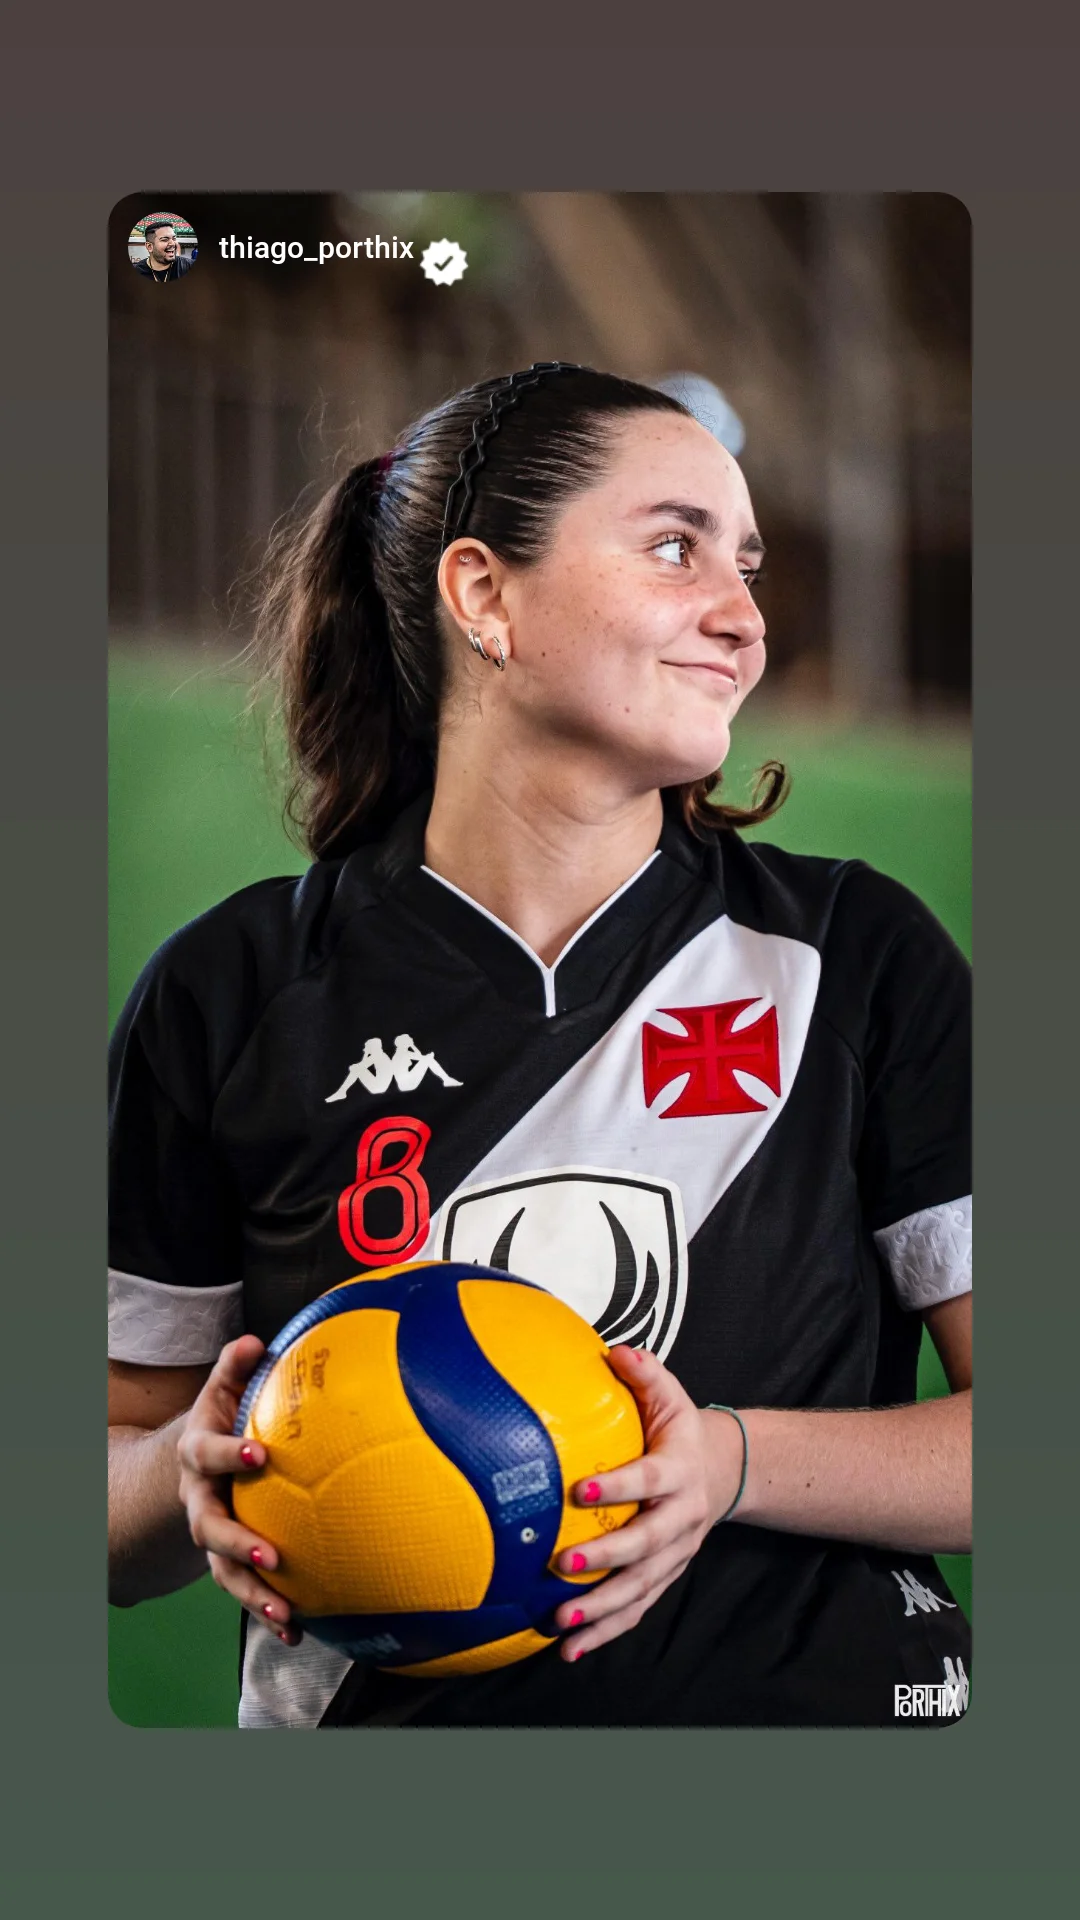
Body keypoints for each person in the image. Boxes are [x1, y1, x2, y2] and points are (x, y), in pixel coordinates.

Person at [108, 362, 972, 1729]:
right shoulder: (234, 990)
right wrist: (189, 1475)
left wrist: (730, 1463)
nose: (744, 618)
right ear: (482, 594)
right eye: (677, 548)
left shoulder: (856, 955)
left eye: (747, 566)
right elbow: (105, 1491)